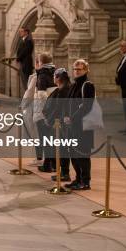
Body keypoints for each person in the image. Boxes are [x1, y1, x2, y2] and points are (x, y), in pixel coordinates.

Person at [64, 59, 95, 191]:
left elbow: (86, 106)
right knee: (73, 153)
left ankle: (85, 181)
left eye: (79, 69)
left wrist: (73, 118)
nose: (76, 71)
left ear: (86, 70)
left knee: (83, 154)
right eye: (75, 69)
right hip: (72, 126)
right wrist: (66, 116)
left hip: (83, 126)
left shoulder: (87, 85)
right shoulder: (73, 85)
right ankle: (77, 179)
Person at [42, 68, 72, 182]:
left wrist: (49, 120)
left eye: (55, 76)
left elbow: (58, 108)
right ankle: (62, 172)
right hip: (57, 123)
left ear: (59, 78)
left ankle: (65, 173)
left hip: (60, 124)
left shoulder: (64, 90)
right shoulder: (61, 89)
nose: (53, 78)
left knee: (62, 149)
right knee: (59, 149)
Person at [30, 53, 56, 173]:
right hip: (56, 111)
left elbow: (41, 95)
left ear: (41, 62)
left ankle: (47, 165)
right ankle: (55, 164)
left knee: (45, 138)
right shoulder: (56, 72)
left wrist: (46, 110)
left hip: (44, 112)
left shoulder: (42, 75)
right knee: (53, 138)